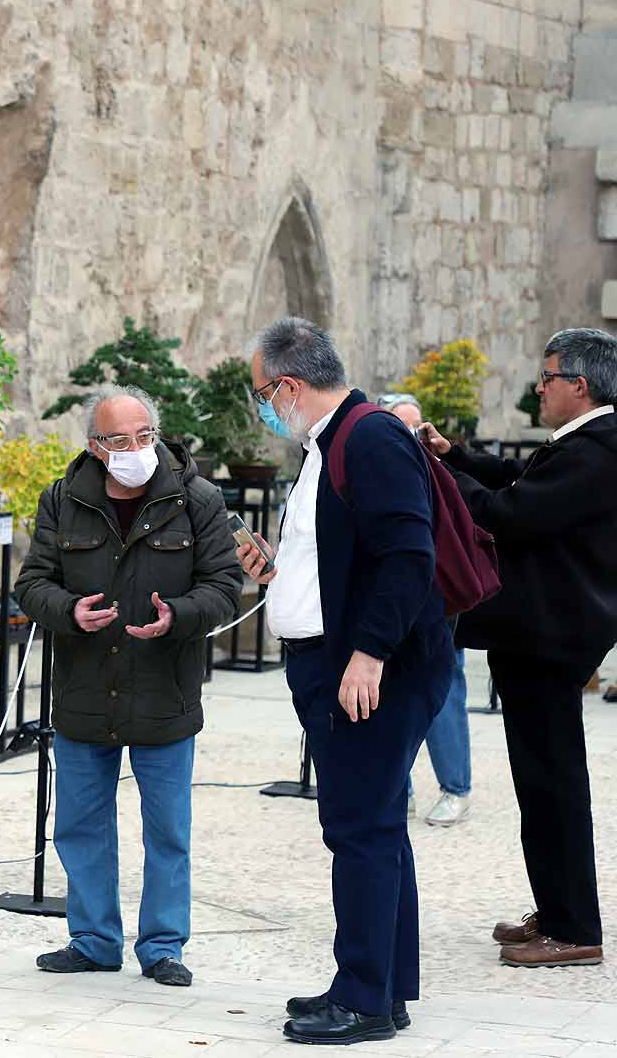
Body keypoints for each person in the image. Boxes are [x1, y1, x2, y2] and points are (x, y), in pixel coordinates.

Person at [238, 318, 453, 1045]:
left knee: (359, 827)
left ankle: (363, 996)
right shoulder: (326, 444)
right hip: (340, 662)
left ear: (290, 385)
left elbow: (408, 553)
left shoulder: (368, 436)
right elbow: (340, 550)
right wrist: (279, 568)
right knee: (376, 824)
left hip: (371, 670)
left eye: (264, 393)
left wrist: (369, 654)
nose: (265, 408)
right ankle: (381, 988)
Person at [14, 385, 241, 989]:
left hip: (164, 687)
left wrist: (181, 617)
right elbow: (31, 583)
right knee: (80, 824)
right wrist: (67, 610)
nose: (136, 449)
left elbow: (225, 584)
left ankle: (163, 946)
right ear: (95, 445)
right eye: (119, 440)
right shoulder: (62, 501)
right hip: (85, 689)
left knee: (168, 829)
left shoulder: (197, 500)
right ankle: (92, 941)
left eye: (145, 436)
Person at [417, 327, 617, 969]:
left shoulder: (598, 450)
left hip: (550, 636)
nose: (540, 387)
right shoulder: (582, 445)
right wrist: (455, 456)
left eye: (548, 376)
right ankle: (558, 908)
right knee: (543, 781)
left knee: (553, 782)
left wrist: (439, 478)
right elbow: (517, 477)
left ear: (578, 386)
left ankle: (574, 926)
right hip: (541, 633)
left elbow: (512, 513)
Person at [377, 392, 472, 827]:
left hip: (436, 603)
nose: (412, 437)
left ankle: (455, 787)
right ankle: (401, 786)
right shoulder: (376, 473)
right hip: (390, 605)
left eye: (418, 427)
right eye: (402, 428)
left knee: (445, 694)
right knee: (387, 699)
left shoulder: (441, 476)